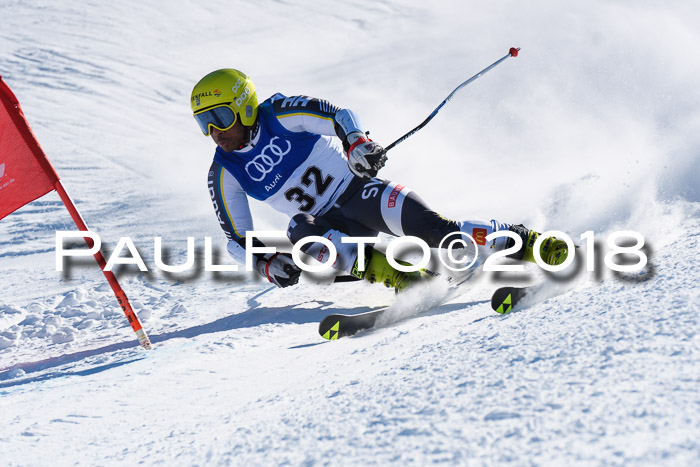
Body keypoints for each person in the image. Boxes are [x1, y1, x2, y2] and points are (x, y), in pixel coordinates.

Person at [191, 69, 568, 290]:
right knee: (299, 227)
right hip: (330, 229)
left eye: (220, 117)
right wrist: (265, 263)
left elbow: (338, 115)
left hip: (359, 192)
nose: (215, 131)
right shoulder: (223, 172)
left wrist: (357, 143)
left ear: (243, 104)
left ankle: (523, 242)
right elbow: (237, 239)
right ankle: (400, 277)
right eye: (203, 123)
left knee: (433, 228)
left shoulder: (279, 115)